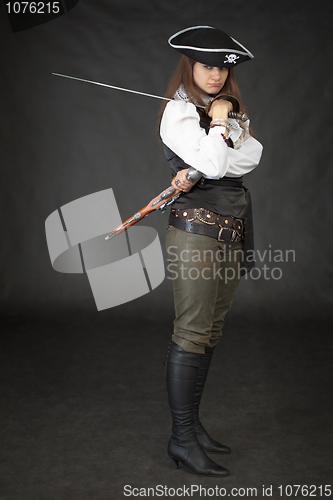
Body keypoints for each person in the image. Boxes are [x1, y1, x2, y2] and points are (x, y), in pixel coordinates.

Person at [159, 26, 263, 477]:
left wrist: (218, 130)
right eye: (207, 65)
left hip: (231, 231)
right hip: (196, 234)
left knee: (211, 331)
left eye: (223, 67)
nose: (216, 74)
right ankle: (181, 439)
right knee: (192, 331)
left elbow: (252, 156)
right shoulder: (178, 114)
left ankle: (193, 428)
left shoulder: (219, 111)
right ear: (190, 65)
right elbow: (218, 164)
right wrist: (219, 122)